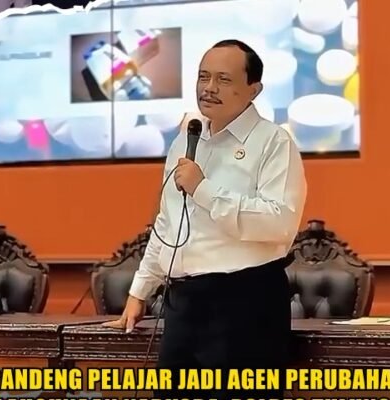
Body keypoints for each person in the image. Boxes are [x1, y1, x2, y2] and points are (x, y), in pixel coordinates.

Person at [103, 39, 307, 399]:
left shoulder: (274, 142)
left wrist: (204, 190)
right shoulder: (186, 139)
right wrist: (140, 291)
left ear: (254, 89)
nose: (209, 88)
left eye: (224, 79)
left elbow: (279, 222)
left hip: (245, 302)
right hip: (183, 303)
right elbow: (168, 223)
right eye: (203, 77)